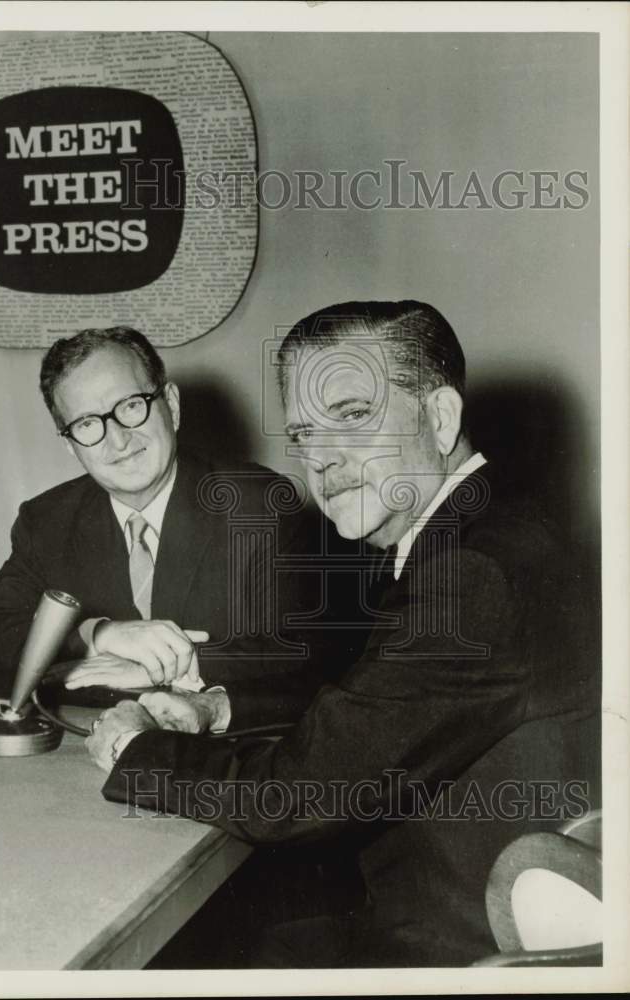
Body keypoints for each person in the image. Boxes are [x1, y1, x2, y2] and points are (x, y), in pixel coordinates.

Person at [88, 301, 600, 967]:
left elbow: (299, 795)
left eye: (353, 418)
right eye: (303, 435)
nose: (321, 461)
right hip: (443, 902)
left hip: (453, 949)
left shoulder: (472, 574)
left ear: (439, 418)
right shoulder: (477, 531)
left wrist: (137, 748)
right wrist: (217, 709)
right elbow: (370, 696)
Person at [0, 326, 362, 708]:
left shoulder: (259, 505)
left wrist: (173, 664)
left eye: (131, 406)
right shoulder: (48, 519)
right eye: (87, 424)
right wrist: (98, 636)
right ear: (70, 446)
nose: (118, 440)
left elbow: (313, 651)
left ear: (170, 404)